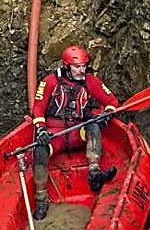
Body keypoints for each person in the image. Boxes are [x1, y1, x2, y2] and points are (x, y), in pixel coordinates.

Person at [29, 44, 119, 219]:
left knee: (93, 125)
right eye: (77, 67)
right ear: (66, 66)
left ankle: (94, 173)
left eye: (84, 66)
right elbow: (38, 108)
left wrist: (107, 114)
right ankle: (41, 199)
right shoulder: (49, 82)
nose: (81, 70)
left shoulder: (90, 81)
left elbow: (112, 101)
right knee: (40, 150)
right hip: (55, 134)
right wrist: (41, 129)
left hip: (78, 132)